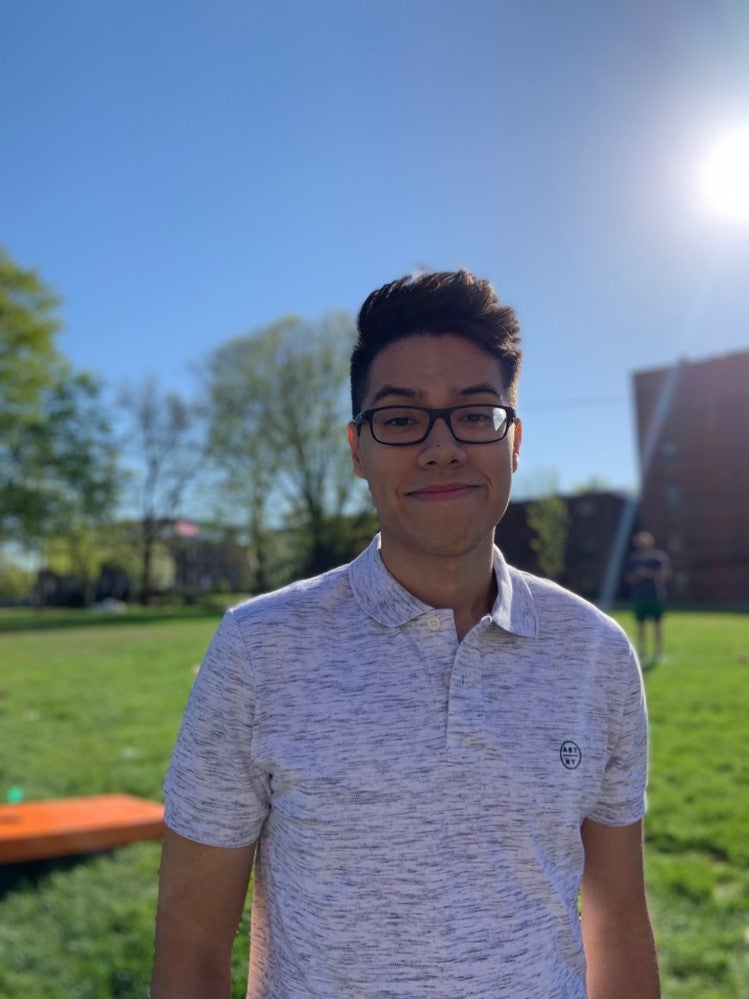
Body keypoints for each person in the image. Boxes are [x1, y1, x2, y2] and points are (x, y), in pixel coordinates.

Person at [151, 270, 659, 998]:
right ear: (357, 450)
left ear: (512, 441)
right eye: (399, 418)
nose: (441, 447)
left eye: (474, 414)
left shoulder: (597, 653)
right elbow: (192, 945)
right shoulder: (258, 649)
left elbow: (616, 920)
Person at [626, 531, 672, 666]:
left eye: (645, 542)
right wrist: (638, 575)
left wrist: (647, 573)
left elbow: (666, 575)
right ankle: (642, 651)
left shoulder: (659, 558)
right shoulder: (633, 560)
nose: (643, 545)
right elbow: (629, 579)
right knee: (640, 626)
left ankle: (658, 652)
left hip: (656, 596)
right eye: (640, 543)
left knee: (657, 625)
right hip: (640, 597)